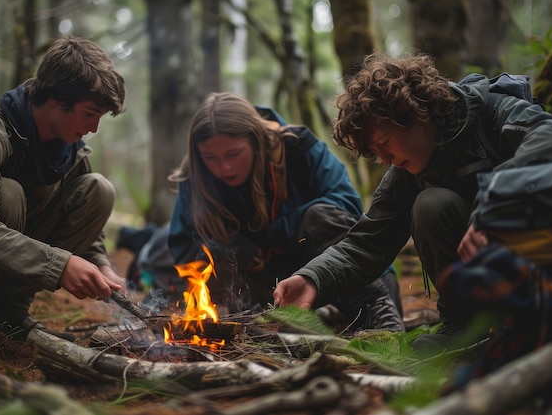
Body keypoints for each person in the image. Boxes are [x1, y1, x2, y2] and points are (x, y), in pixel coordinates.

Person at [272, 51, 552, 350]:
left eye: (385, 143)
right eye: (377, 152)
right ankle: (463, 325)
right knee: (432, 204)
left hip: (548, 266)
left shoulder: (492, 111)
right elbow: (366, 243)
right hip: (495, 282)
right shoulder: (408, 172)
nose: (385, 159)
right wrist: (312, 279)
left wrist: (493, 205)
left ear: (415, 114)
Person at [167, 92, 403, 332]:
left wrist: (279, 231)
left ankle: (373, 319)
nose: (224, 167)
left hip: (355, 281)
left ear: (256, 141)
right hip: (269, 290)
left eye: (233, 154)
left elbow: (347, 209)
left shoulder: (299, 147)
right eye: (210, 158)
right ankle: (297, 321)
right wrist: (230, 249)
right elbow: (182, 245)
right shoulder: (196, 176)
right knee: (215, 255)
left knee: (318, 218)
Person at [0, 37, 127, 340]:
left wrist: (101, 265)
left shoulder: (69, 150)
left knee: (99, 190)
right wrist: (60, 264)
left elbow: (83, 215)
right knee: (9, 194)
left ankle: (5, 310)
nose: (94, 128)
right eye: (90, 113)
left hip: (2, 264)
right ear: (56, 98)